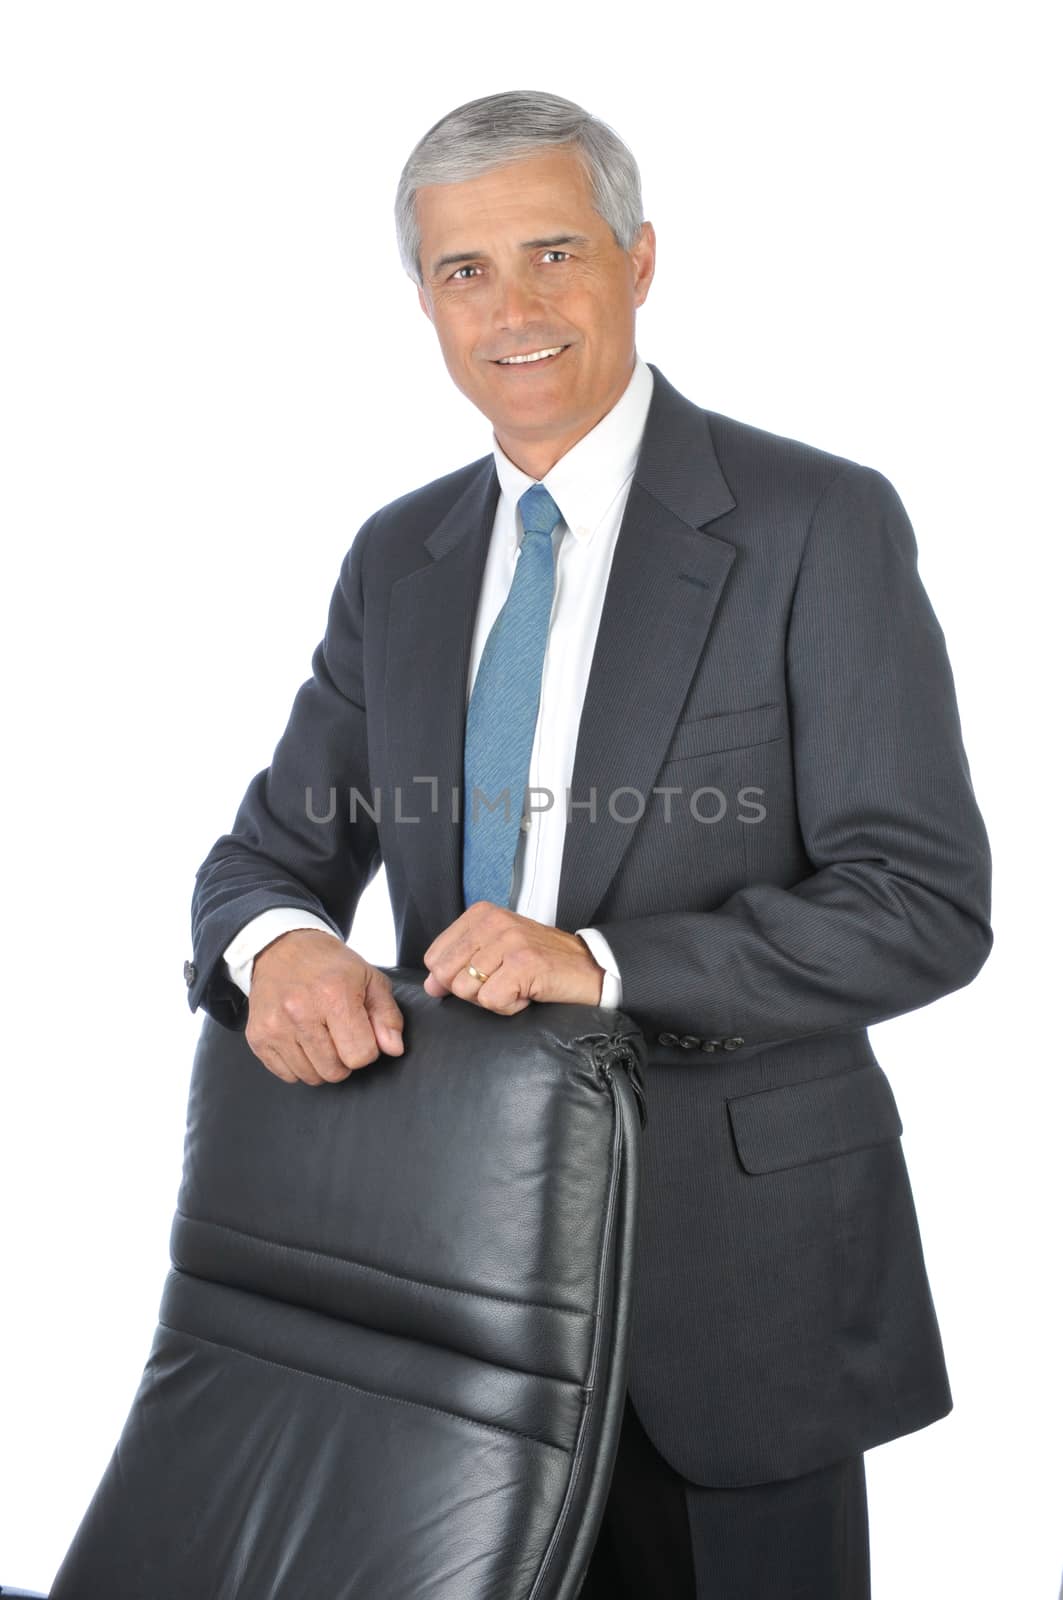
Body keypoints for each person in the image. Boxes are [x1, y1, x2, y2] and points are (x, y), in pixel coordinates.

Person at [186, 88, 993, 1597]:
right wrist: (281, 943)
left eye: (554, 251)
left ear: (639, 260)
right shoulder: (401, 560)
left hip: (735, 1288)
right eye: (464, 271)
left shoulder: (816, 524)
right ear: (424, 300)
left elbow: (922, 903)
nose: (514, 309)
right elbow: (263, 861)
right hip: (445, 1291)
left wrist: (601, 961)